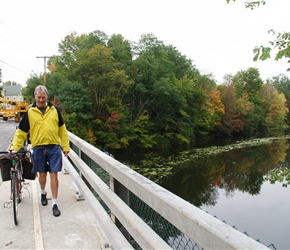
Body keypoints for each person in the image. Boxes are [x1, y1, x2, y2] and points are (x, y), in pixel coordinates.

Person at [11, 85, 70, 217]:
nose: (41, 100)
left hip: (54, 147)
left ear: (47, 97)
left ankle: (55, 203)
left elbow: (62, 130)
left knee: (54, 174)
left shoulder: (54, 110)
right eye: (39, 97)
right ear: (35, 97)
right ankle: (43, 192)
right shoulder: (30, 111)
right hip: (38, 148)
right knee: (42, 175)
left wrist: (65, 147)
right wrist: (15, 146)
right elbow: (21, 132)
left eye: (43, 97)